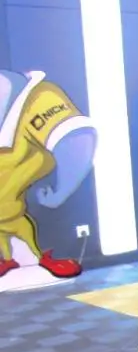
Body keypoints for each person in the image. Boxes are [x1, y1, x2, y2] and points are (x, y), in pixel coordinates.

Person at [0, 69, 97, 280]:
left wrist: (60, 192)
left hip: (20, 215)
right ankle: (15, 258)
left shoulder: (36, 99)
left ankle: (35, 260)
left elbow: (76, 138)